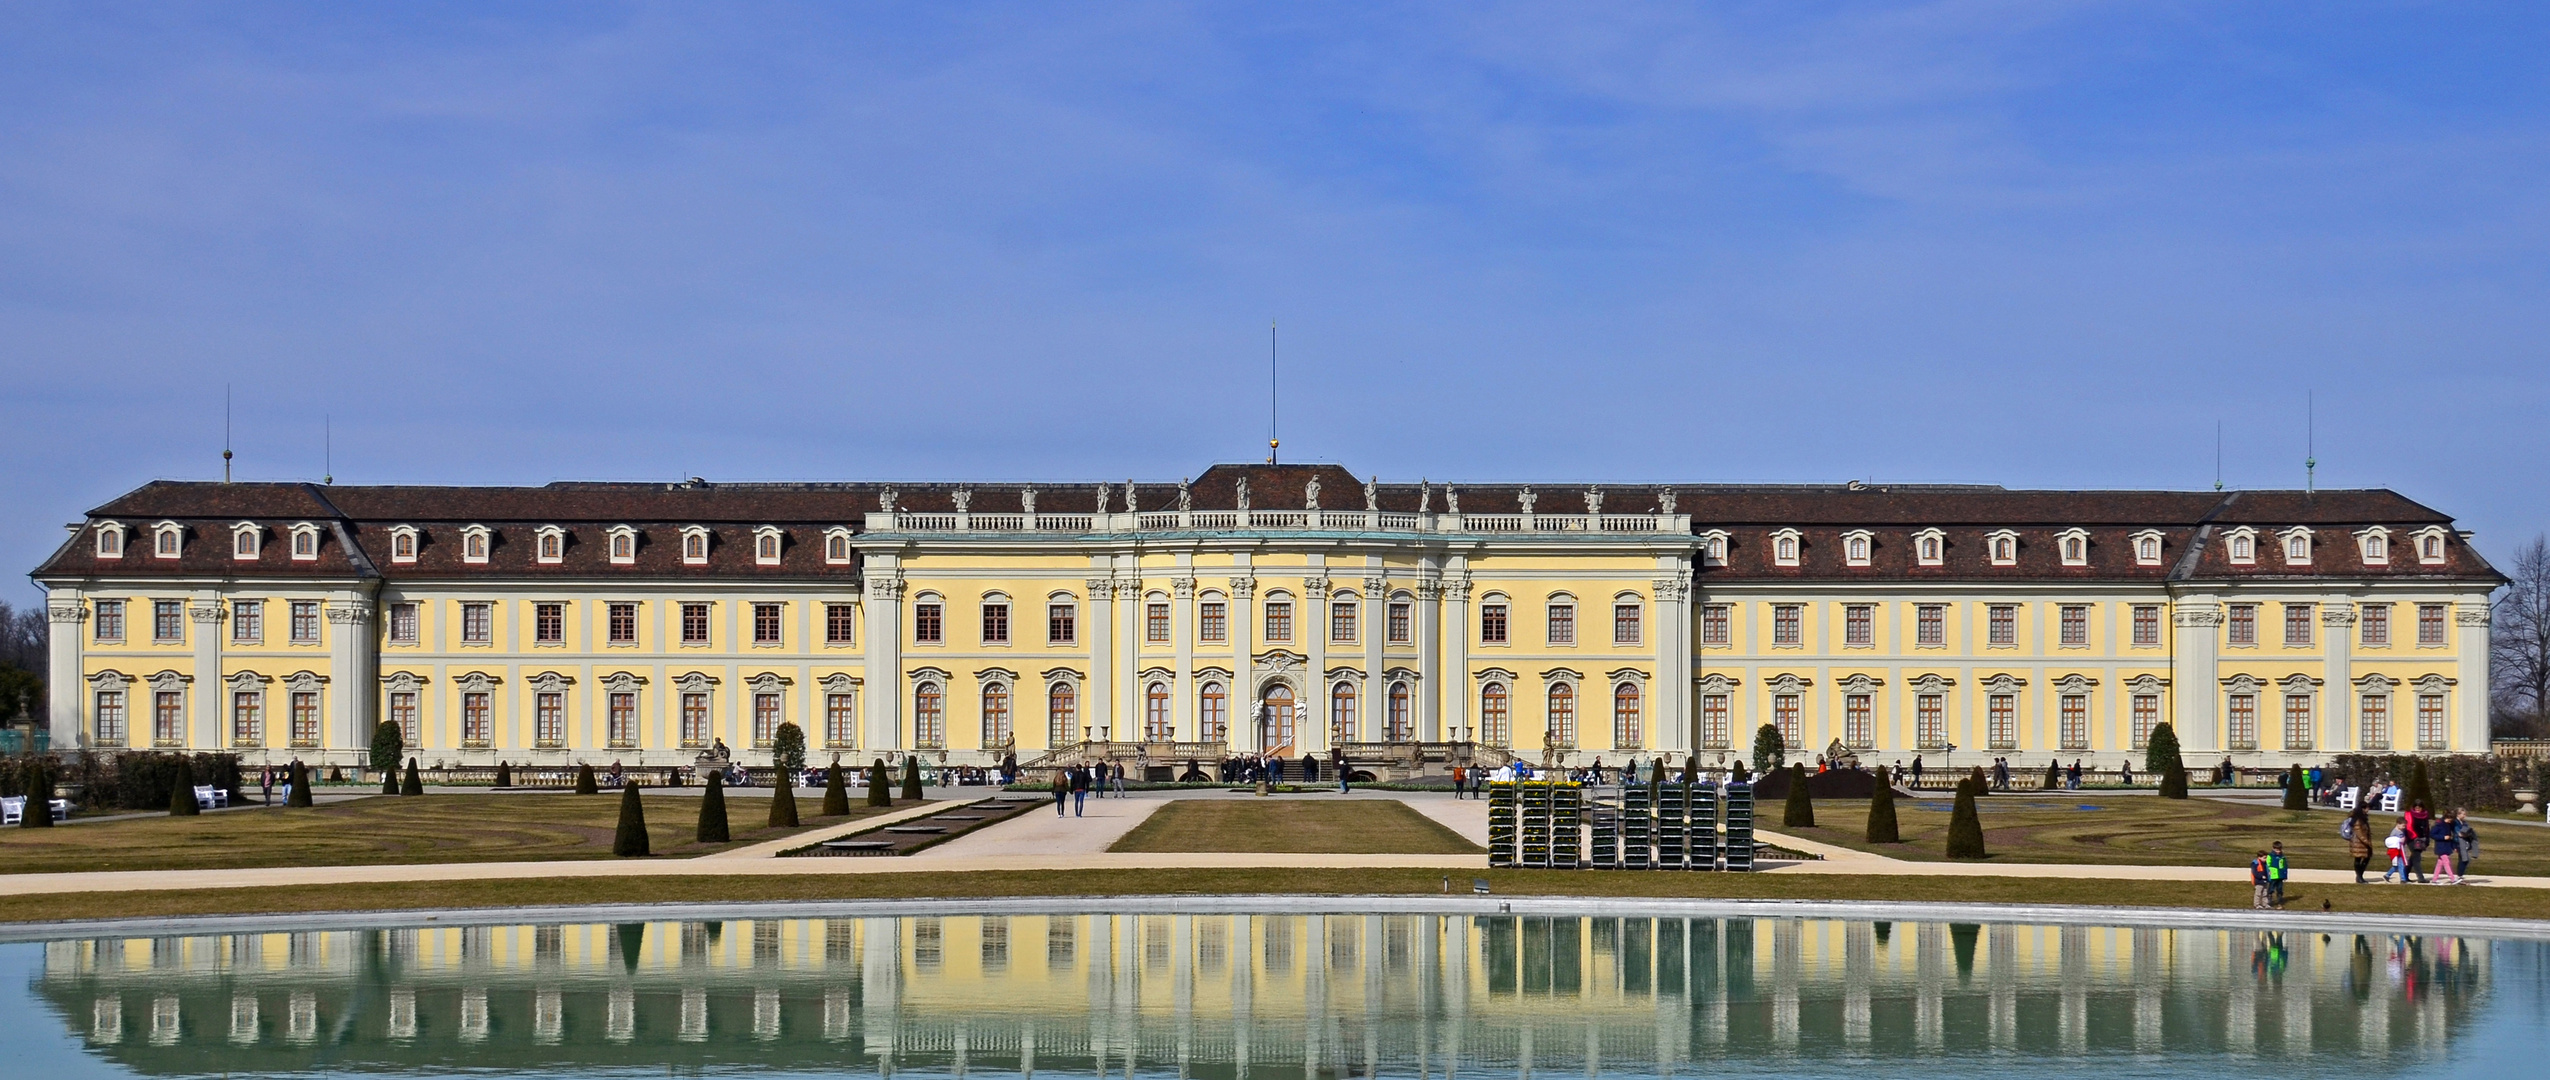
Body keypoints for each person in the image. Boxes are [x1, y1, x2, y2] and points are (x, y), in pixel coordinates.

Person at [2344, 805, 2374, 883]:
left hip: (2362, 841)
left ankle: (2360, 876)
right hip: (2358, 842)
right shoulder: (2358, 819)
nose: (2368, 810)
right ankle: (2359, 877)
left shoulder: (2363, 818)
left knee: (2365, 858)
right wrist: (2367, 842)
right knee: (2358, 858)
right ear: (2363, 809)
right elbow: (2359, 833)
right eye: (2367, 808)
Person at [2430, 812, 2463, 884]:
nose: (2450, 821)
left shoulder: (2448, 825)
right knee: (2447, 862)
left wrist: (2453, 846)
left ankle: (2434, 880)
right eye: (2449, 819)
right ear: (2446, 818)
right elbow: (2432, 834)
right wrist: (2443, 837)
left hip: (2446, 846)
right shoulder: (2439, 824)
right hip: (2440, 846)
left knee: (2440, 864)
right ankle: (2453, 879)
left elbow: (2450, 837)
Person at [2265, 841, 2289, 907]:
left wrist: (2285, 875)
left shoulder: (2282, 857)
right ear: (2273, 848)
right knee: (2271, 888)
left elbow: (2285, 866)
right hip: (2273, 876)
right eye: (2276, 850)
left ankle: (2279, 901)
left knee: (2280, 889)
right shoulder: (2270, 856)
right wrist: (2268, 872)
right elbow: (2267, 865)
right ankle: (2269, 900)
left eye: (2279, 850)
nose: (2278, 851)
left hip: (2280, 876)